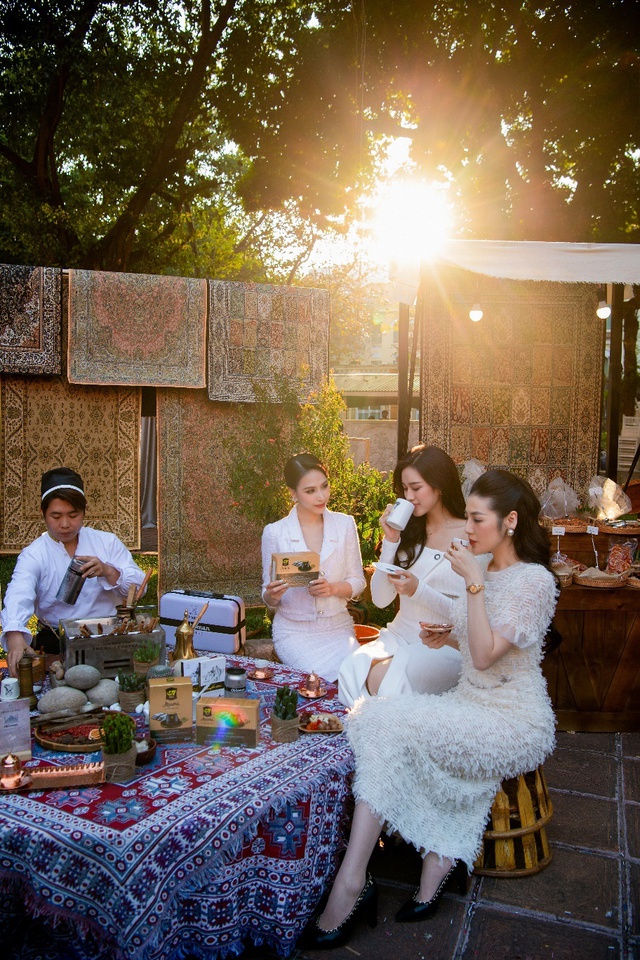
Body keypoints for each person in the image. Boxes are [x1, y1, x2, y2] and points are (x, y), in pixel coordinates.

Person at [303, 469, 558, 949]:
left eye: (478, 520)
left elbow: (486, 655)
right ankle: (399, 868)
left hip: (513, 718)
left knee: (380, 721)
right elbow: (473, 640)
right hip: (469, 700)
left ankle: (352, 882)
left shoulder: (533, 582)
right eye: (469, 518)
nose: (468, 529)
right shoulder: (484, 568)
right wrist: (449, 635)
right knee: (377, 717)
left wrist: (473, 588)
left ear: (509, 521)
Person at [338, 445, 466, 706]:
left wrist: (418, 590)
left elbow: (468, 616)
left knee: (386, 684)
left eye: (416, 488)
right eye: (405, 489)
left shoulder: (469, 535)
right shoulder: (410, 532)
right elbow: (381, 600)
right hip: (398, 635)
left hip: (443, 644)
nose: (409, 497)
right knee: (351, 671)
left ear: (440, 485)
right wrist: (391, 540)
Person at [2, 467, 146, 677]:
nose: (65, 524)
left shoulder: (106, 543)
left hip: (108, 637)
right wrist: (15, 635)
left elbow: (140, 589)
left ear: (84, 511)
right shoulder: (34, 554)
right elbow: (19, 591)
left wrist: (108, 571)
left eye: (73, 515)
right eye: (56, 516)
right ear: (43, 514)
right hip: (56, 642)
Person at [261, 453, 366, 682]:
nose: (321, 496)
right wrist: (272, 595)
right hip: (294, 632)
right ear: (293, 493)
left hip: (338, 629)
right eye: (310, 491)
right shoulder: (275, 532)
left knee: (359, 676)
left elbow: (358, 581)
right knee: (325, 681)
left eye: (324, 486)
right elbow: (267, 596)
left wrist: (333, 588)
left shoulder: (345, 524)